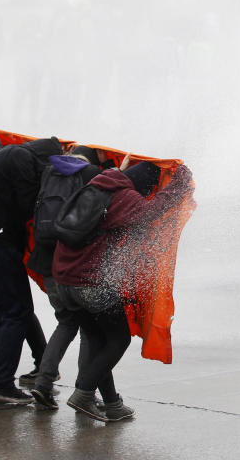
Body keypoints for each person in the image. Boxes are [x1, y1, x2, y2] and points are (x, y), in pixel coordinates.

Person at [53, 161, 193, 421]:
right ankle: (83, 394)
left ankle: (112, 404)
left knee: (99, 341)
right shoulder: (123, 195)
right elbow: (152, 211)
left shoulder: (93, 187)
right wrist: (179, 184)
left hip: (65, 281)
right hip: (90, 284)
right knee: (119, 339)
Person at [0, 134, 62, 404]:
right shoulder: (21, 158)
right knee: (18, 313)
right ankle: (1, 384)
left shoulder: (9, 155)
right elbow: (28, 203)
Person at [27, 144, 103, 408]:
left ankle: (43, 385)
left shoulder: (49, 170)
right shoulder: (91, 172)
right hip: (73, 264)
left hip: (47, 262)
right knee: (88, 330)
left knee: (66, 322)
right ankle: (86, 391)